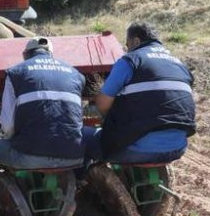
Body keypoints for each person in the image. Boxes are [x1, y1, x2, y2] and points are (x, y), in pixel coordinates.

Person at [0, 37, 85, 188]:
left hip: (28, 156)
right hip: (74, 156)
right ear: (51, 54)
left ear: (25, 55)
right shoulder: (76, 75)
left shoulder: (16, 73)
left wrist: (8, 140)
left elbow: (7, 125)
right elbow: (76, 118)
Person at [82, 21, 196, 165]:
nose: (127, 49)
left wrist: (91, 111)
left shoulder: (131, 60)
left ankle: (83, 182)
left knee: (82, 136)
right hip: (178, 149)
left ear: (136, 41)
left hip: (137, 151)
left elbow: (102, 106)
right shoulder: (181, 65)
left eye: (127, 45)